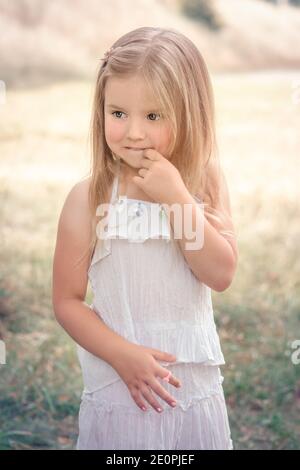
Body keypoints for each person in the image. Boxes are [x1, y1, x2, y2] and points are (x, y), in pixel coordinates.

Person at [52, 26, 238, 450]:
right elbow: (66, 301)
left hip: (191, 389)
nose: (133, 133)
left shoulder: (203, 182)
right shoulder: (89, 197)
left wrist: (174, 195)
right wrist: (121, 355)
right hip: (121, 387)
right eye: (118, 113)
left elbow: (220, 273)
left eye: (153, 116)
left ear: (189, 113)